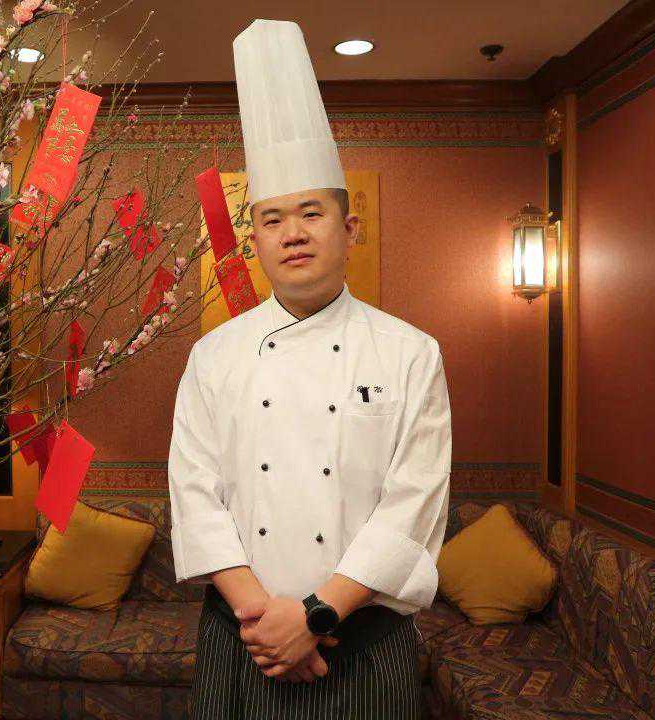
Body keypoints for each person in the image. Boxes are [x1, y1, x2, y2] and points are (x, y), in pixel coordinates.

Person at [167, 18, 452, 720]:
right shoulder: (214, 356)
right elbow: (196, 499)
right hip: (245, 638)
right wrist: (269, 624)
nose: (291, 233)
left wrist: (316, 616)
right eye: (271, 219)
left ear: (349, 228)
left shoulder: (410, 352)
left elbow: (412, 507)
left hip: (364, 643)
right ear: (255, 239)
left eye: (310, 213)